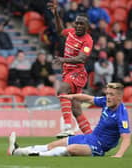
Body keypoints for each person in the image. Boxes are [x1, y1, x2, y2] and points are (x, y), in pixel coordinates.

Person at [8, 83, 131, 158]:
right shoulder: (105, 101)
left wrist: (119, 154)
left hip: (98, 147)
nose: (108, 96)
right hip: (89, 137)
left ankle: (37, 155)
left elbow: (126, 137)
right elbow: (87, 98)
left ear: (119, 97)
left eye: (112, 94)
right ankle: (17, 150)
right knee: (52, 145)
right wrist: (71, 96)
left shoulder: (121, 114)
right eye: (107, 93)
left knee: (71, 149)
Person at [47, 0, 93, 138]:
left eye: (81, 24)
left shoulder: (88, 40)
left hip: (77, 73)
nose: (78, 26)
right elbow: (60, 31)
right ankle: (92, 138)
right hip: (67, 71)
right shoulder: (71, 32)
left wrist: (63, 60)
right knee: (76, 109)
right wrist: (56, 14)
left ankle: (67, 127)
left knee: (62, 90)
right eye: (77, 23)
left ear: (87, 26)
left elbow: (81, 58)